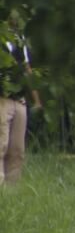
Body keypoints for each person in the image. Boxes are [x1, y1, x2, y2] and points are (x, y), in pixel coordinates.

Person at [0, 27, 39, 185]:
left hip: (19, 99)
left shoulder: (18, 38)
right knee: (1, 144)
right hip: (2, 97)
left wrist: (36, 98)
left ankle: (12, 191)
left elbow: (26, 69)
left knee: (17, 149)